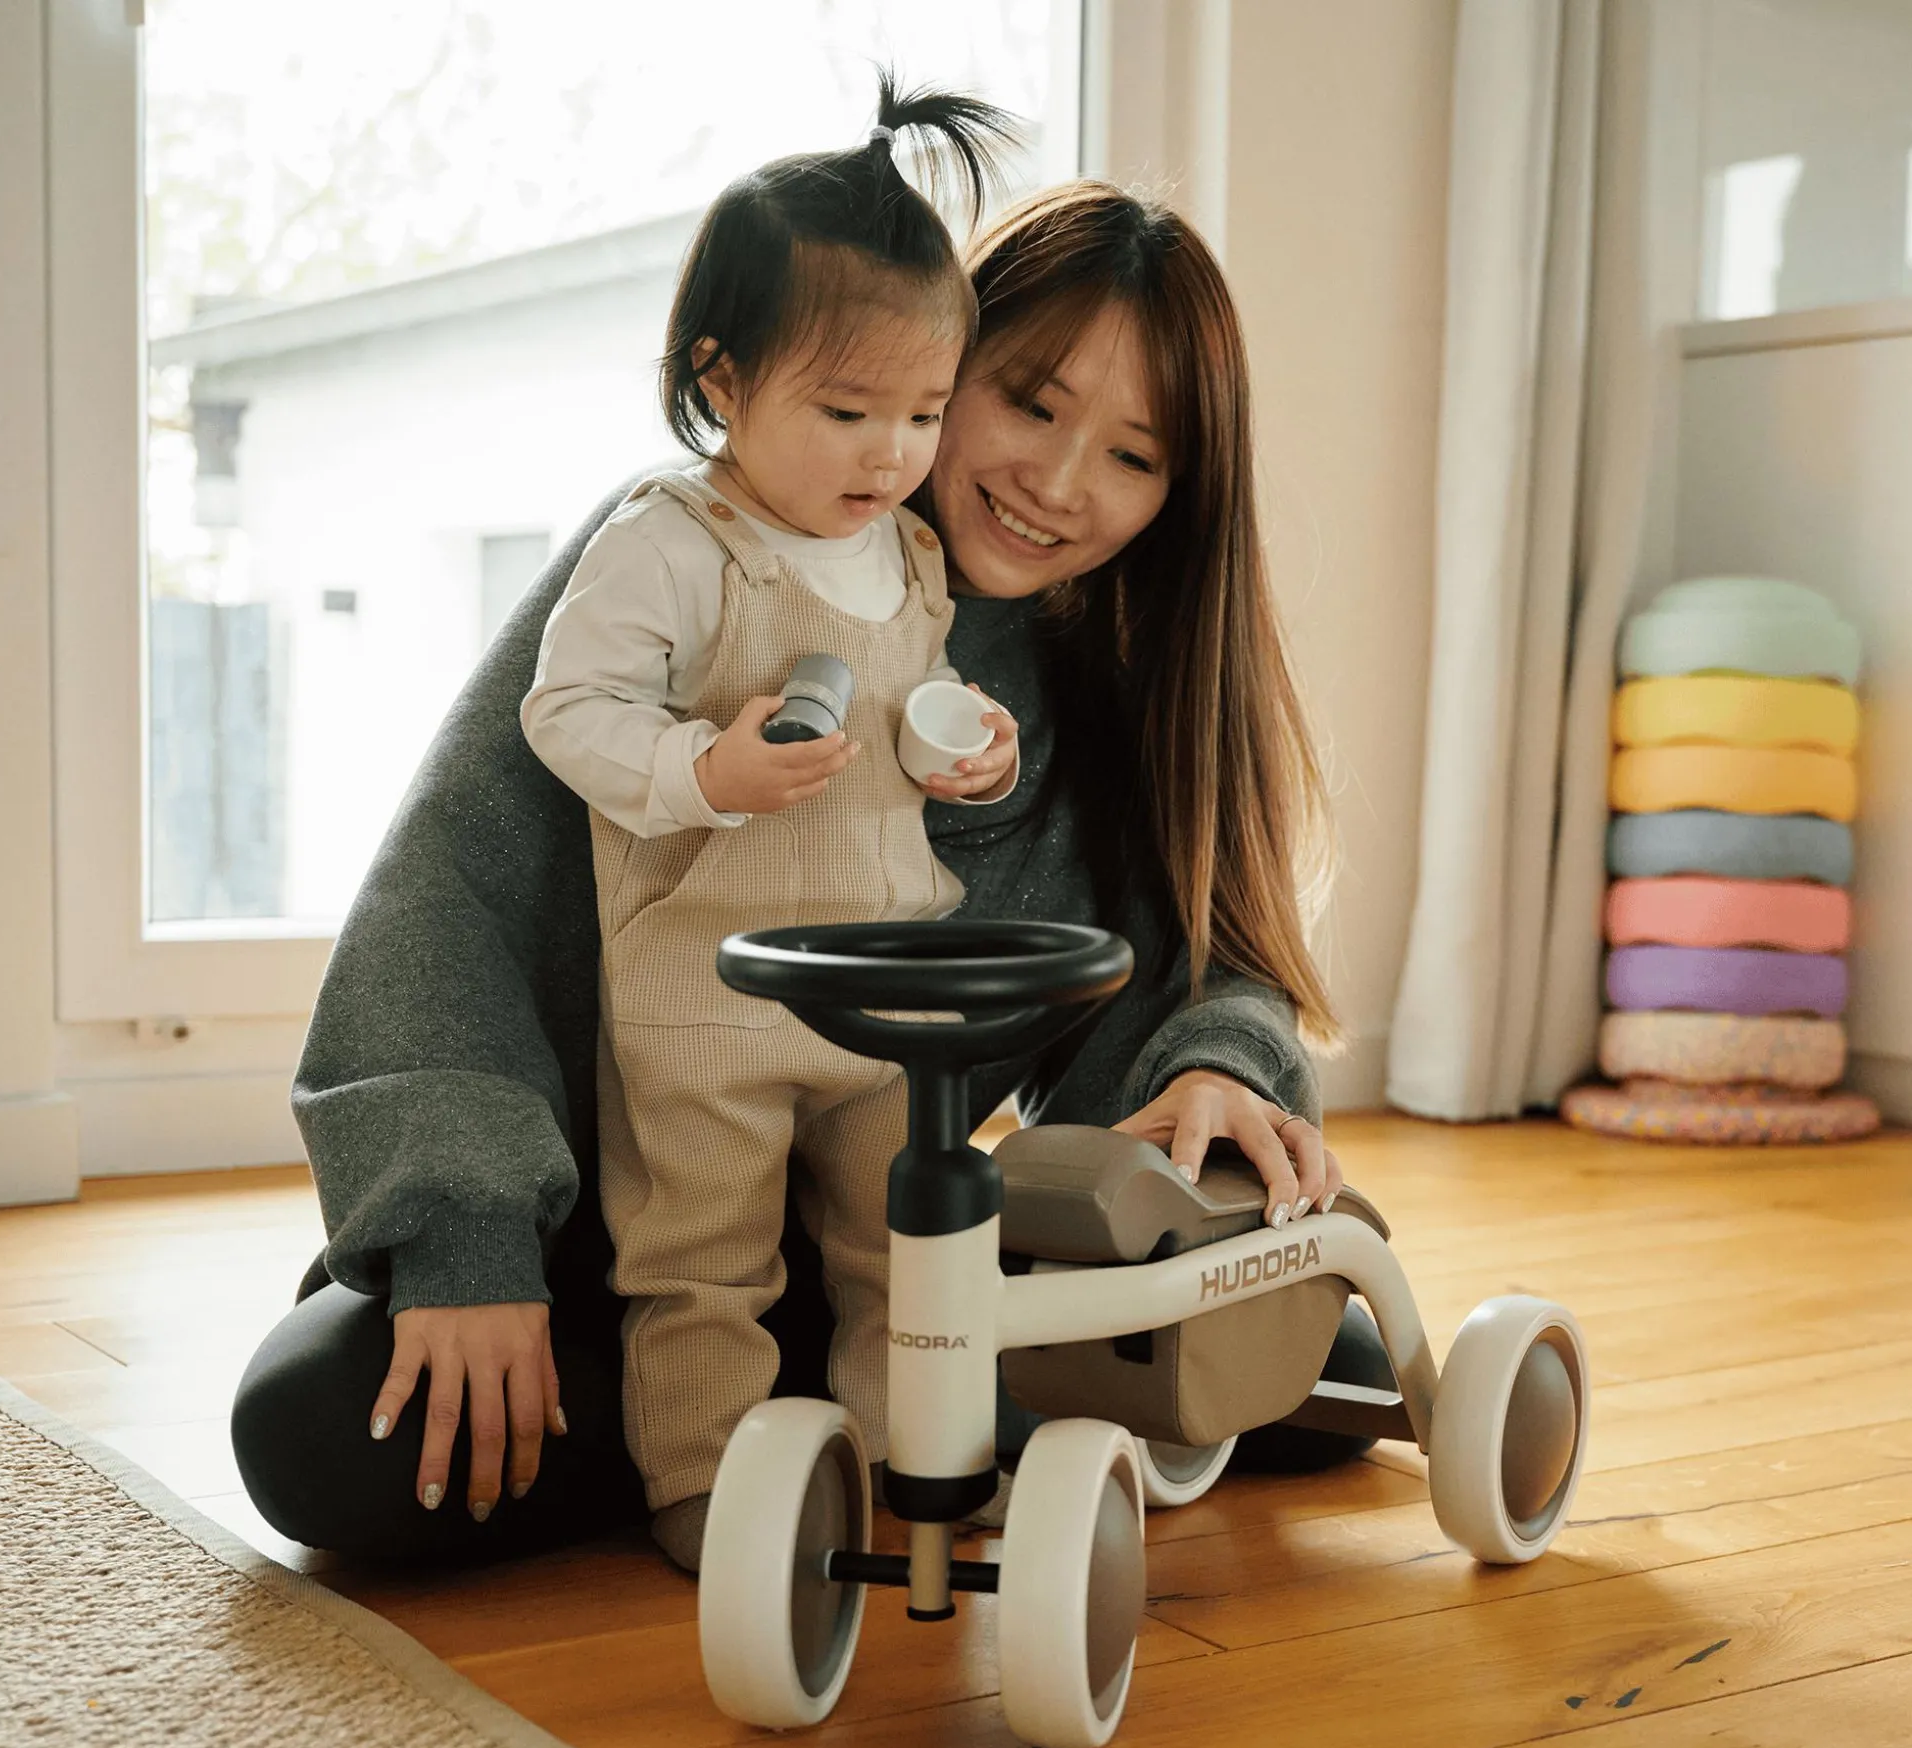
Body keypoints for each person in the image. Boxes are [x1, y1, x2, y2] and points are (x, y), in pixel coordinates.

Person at [231, 175, 1382, 1565]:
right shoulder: (679, 554)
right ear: (936, 355)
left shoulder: (1112, 689)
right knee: (318, 1434)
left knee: (1328, 1358)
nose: (1061, 484)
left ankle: (836, 1424)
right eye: (1029, 403)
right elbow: (450, 894)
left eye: (1135, 458)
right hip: (621, 1239)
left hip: (894, 1250)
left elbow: (1202, 962)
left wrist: (1211, 1065)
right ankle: (746, 1427)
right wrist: (465, 1241)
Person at [519, 80, 1022, 1569]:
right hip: (710, 997)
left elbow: (906, 716)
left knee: (916, 1249)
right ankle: (713, 1485)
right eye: (846, 412)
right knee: (698, 1261)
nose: (890, 453)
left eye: (923, 414)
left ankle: (920, 1453)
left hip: (891, 983)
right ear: (723, 381)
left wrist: (966, 756)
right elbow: (564, 710)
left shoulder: (911, 554)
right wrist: (702, 772)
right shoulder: (673, 543)